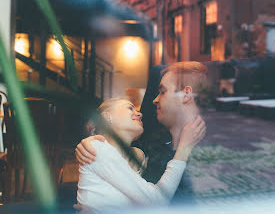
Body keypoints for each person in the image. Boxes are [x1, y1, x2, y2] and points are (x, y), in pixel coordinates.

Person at [76, 61, 211, 203]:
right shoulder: (151, 146)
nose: (154, 100)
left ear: (186, 94)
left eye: (162, 92)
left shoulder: (210, 158)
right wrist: (88, 143)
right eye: (130, 108)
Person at [76, 98, 206, 213]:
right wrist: (184, 148)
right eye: (129, 107)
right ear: (107, 117)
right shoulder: (97, 149)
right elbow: (157, 202)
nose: (139, 113)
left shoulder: (140, 156)